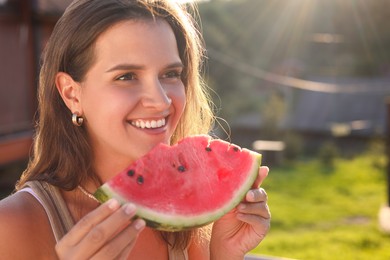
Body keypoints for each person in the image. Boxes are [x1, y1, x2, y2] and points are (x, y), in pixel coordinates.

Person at [0, 0, 271, 259]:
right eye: (126, 77)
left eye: (170, 74)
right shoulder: (12, 226)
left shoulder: (191, 220)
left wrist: (224, 254)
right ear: (72, 94)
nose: (161, 101)